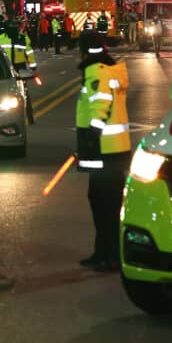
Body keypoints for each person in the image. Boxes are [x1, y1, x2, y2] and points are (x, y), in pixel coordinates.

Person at [75, 29, 130, 273]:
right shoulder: (111, 70)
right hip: (116, 149)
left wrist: (89, 138)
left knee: (103, 204)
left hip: (103, 149)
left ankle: (110, 255)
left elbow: (100, 106)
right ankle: (105, 252)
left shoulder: (96, 72)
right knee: (106, 202)